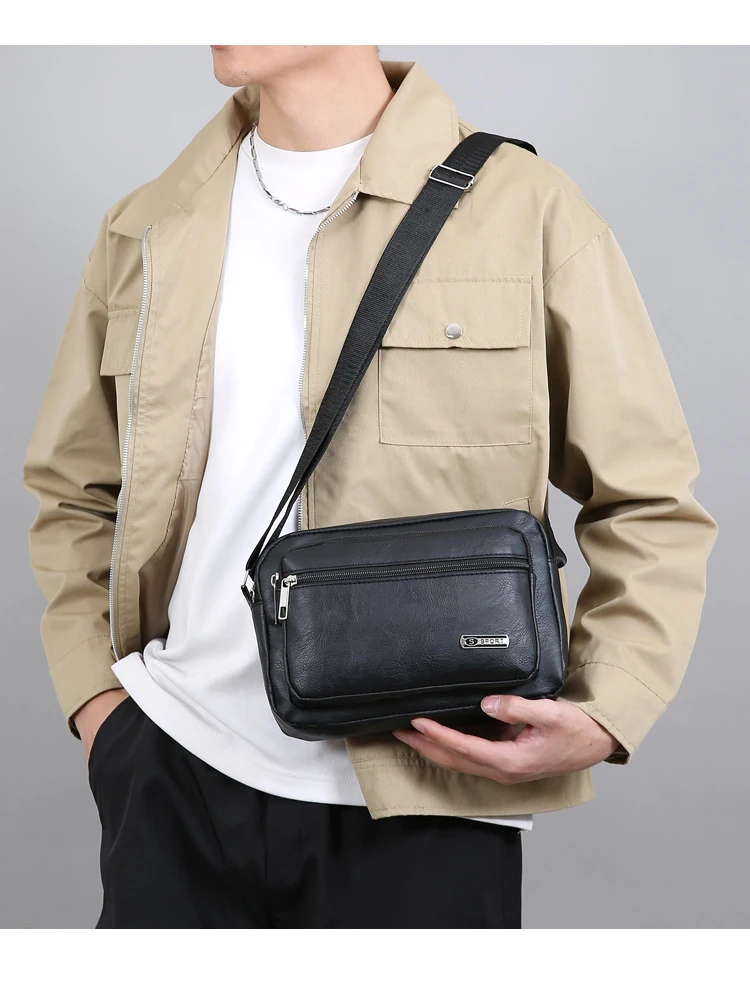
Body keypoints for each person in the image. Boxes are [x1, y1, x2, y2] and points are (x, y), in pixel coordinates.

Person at [23, 46, 717, 929]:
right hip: (172, 772)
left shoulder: (530, 211)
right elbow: (72, 487)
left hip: (429, 797)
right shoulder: (147, 228)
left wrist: (609, 706)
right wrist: (102, 709)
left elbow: (650, 500)